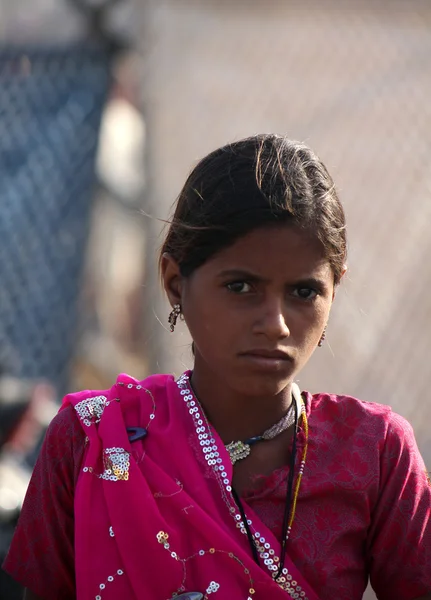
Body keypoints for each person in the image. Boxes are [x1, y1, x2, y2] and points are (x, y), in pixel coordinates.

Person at [3, 134, 431, 600]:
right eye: (241, 287)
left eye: (304, 292)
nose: (276, 324)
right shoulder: (90, 439)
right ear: (174, 282)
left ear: (334, 291)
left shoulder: (374, 451)